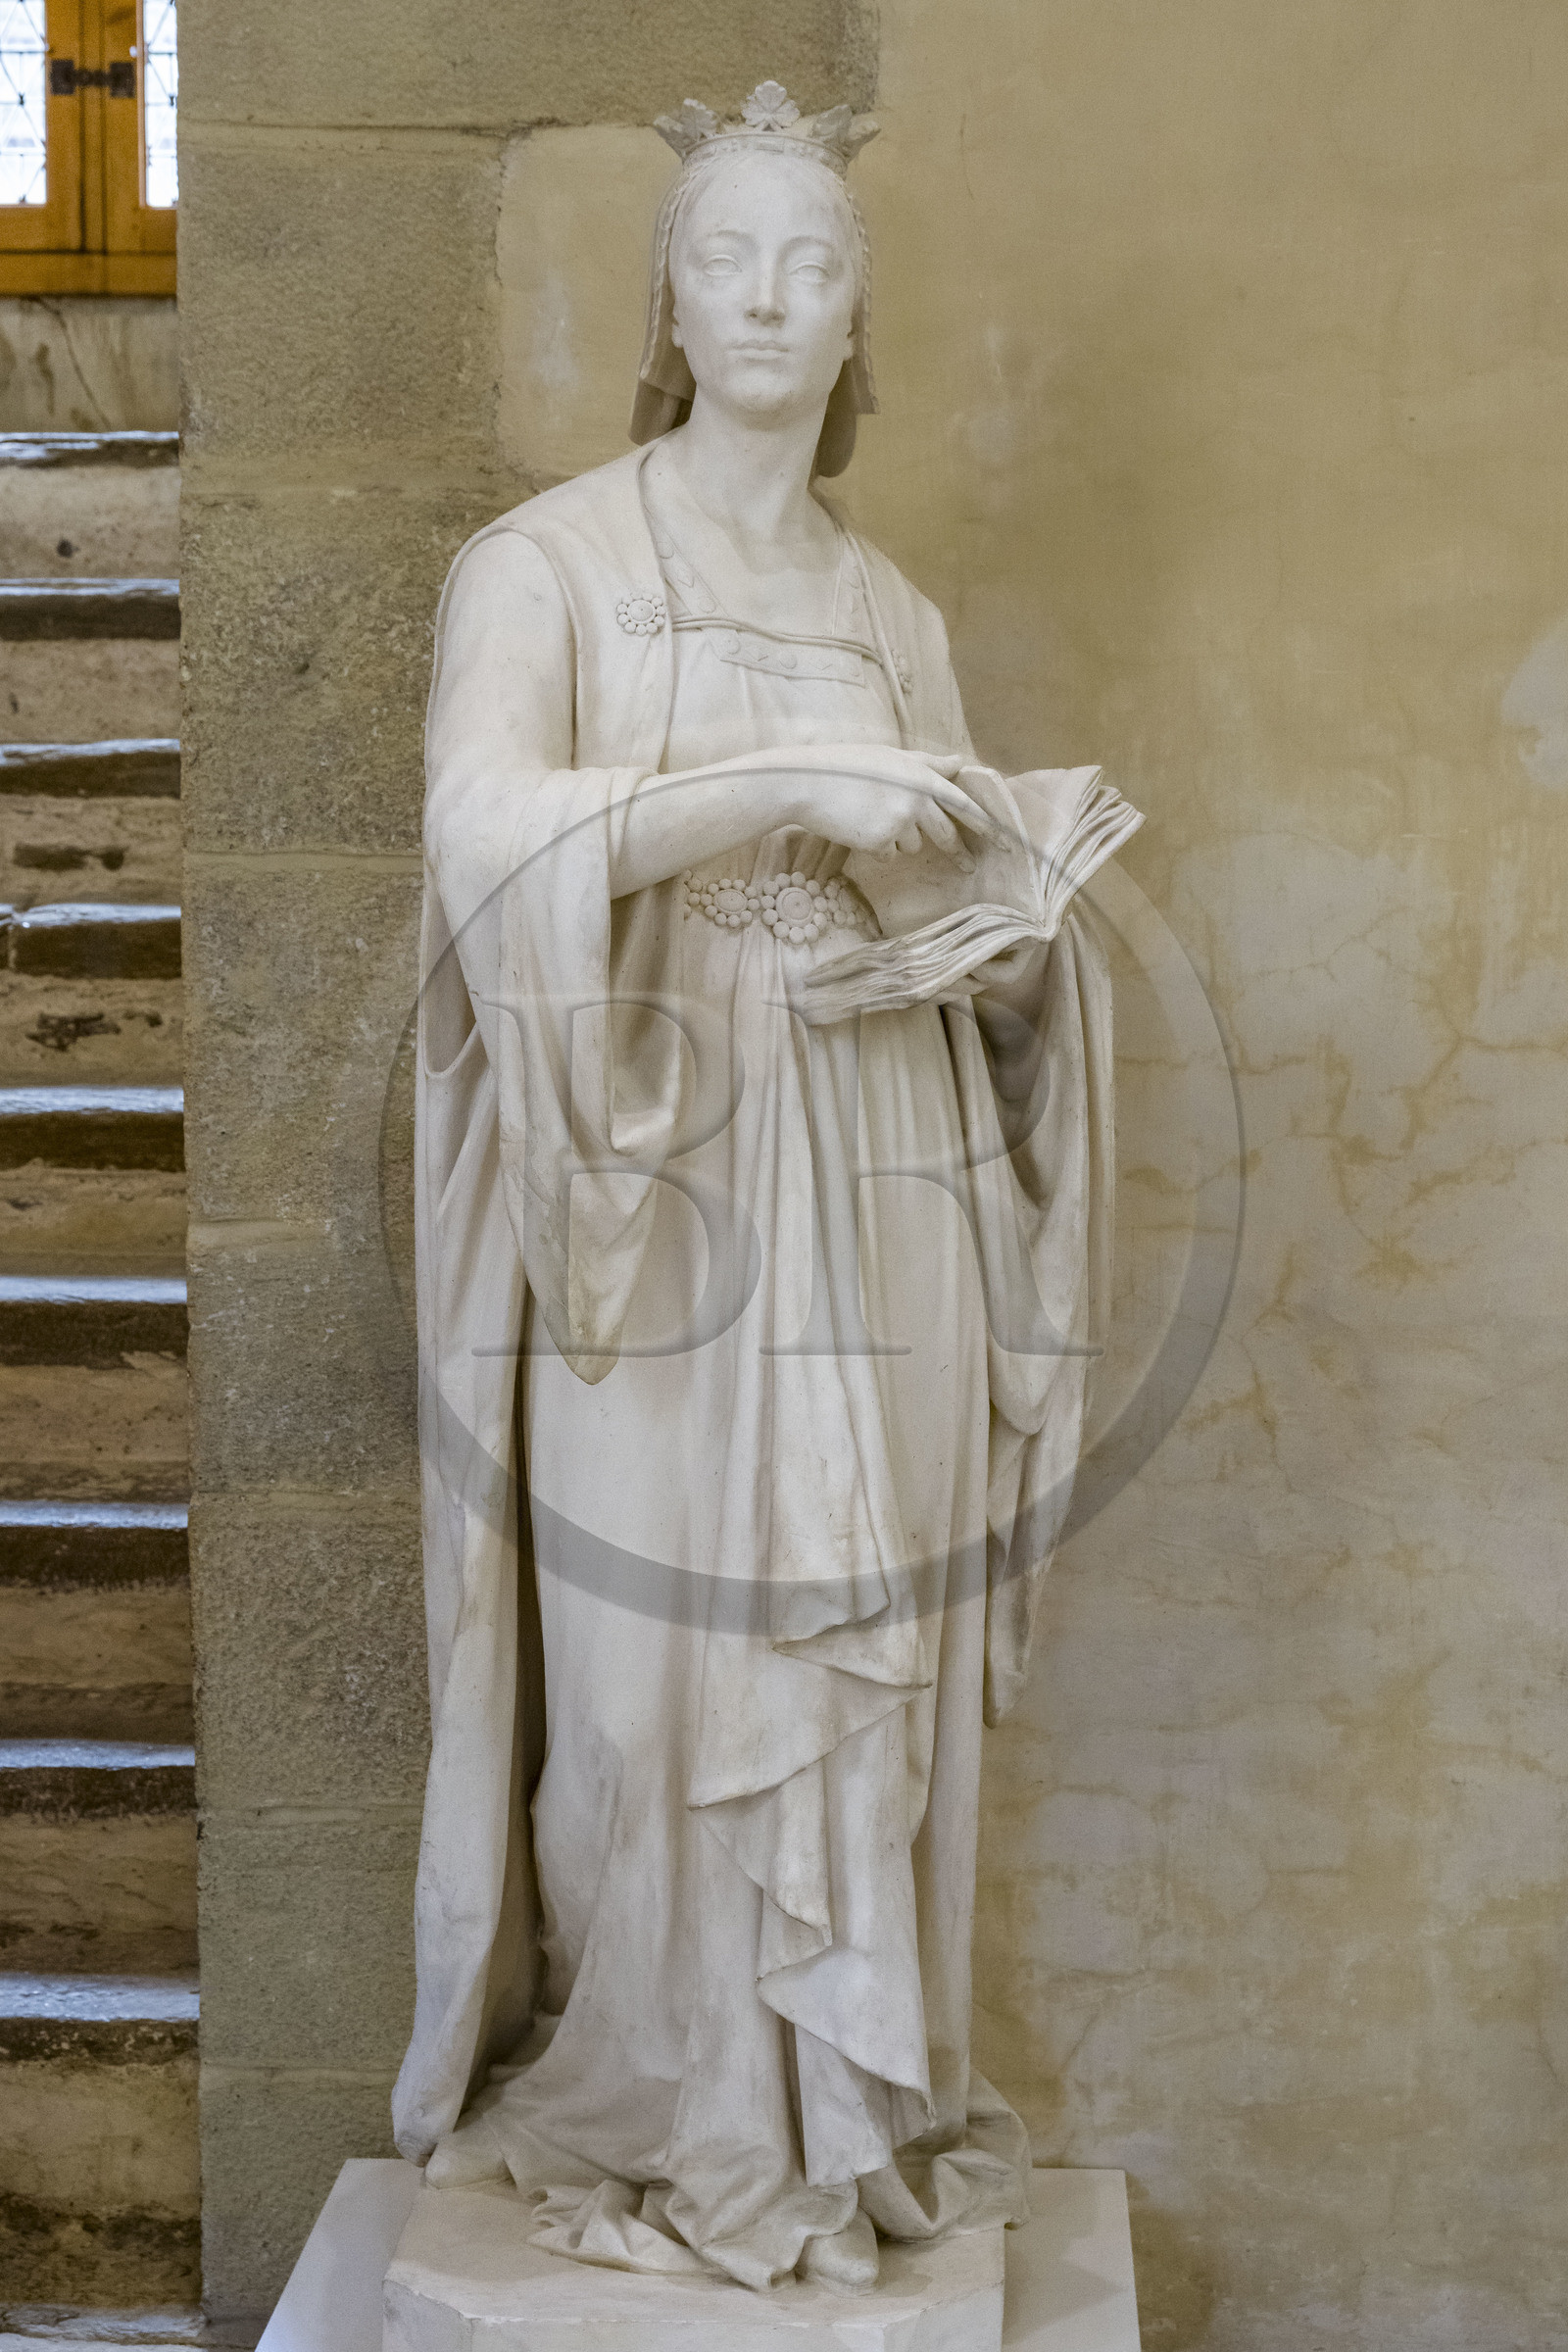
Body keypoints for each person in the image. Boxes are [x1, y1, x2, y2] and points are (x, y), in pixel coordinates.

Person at [392, 82, 1115, 2293]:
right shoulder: (546, 563)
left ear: (856, 305)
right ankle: (668, 2085)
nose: (773, 297)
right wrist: (772, 782)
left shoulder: (889, 608)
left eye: (813, 261)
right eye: (730, 257)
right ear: (668, 298)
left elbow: (960, 890)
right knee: (638, 1683)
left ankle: (834, 2104)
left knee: (858, 1652)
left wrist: (1007, 962)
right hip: (655, 1176)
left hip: (880, 1153)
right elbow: (481, 831)